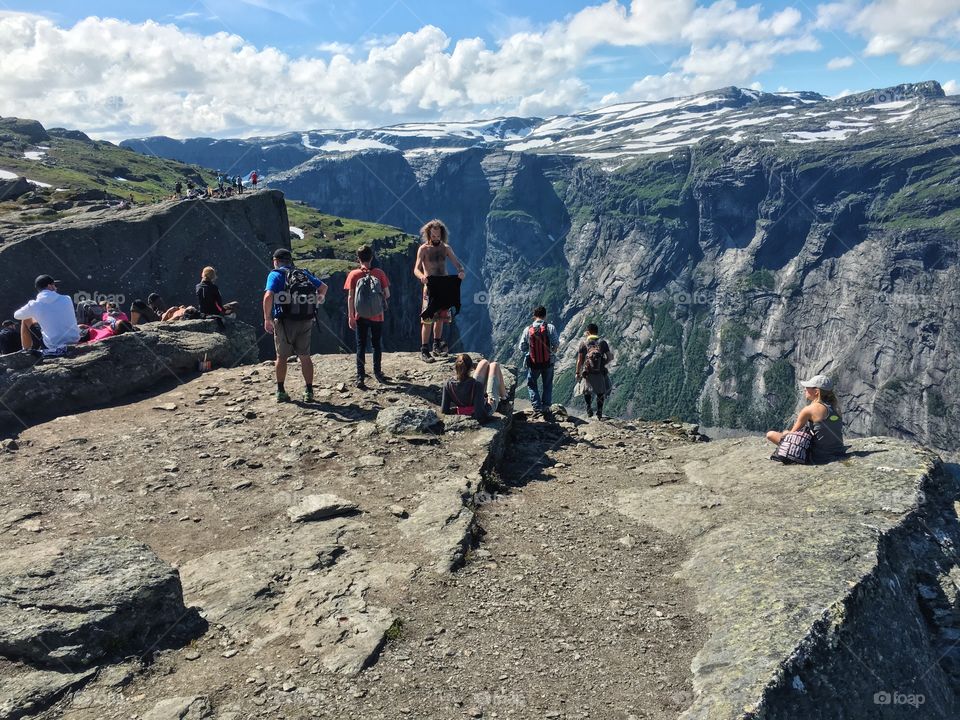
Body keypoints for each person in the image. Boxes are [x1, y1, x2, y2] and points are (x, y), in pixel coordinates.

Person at [263, 248, 327, 403]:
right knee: (305, 356)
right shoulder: (303, 274)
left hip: (284, 322)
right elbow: (323, 287)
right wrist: (314, 304)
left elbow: (268, 295)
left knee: (281, 357)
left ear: (276, 261)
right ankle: (309, 391)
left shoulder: (276, 274)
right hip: (305, 320)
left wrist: (267, 318)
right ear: (290, 261)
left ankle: (280, 391)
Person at [413, 219, 465, 363]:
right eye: (433, 236)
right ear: (428, 234)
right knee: (428, 319)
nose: (436, 239)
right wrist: (422, 276)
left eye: (438, 236)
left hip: (444, 286)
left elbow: (457, 264)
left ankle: (436, 344)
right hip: (430, 288)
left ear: (442, 234)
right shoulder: (423, 249)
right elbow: (416, 269)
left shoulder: (446, 248)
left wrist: (461, 271)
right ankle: (424, 349)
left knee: (441, 318)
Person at [766, 374, 845, 463]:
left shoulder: (809, 409)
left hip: (818, 457)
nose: (805, 389)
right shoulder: (836, 407)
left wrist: (785, 432)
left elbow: (792, 434)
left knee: (770, 434)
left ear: (816, 392)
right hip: (840, 452)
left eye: (808, 387)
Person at [345, 245, 390, 389]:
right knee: (376, 344)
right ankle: (377, 372)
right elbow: (387, 294)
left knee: (361, 345)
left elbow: (351, 297)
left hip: (360, 315)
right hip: (377, 315)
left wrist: (351, 316)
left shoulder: (353, 274)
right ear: (371, 258)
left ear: (358, 258)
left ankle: (360, 376)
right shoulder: (379, 273)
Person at [14, 275, 80, 351]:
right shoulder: (67, 298)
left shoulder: (34, 305)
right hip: (74, 339)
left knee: (25, 319)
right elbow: (55, 313)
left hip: (53, 345)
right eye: (54, 285)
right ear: (49, 286)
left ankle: (26, 350)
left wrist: (34, 312)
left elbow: (16, 315)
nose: (56, 288)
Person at [441, 353, 508, 423]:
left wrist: (458, 410)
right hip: (484, 407)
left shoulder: (447, 384)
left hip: (469, 396)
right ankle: (504, 396)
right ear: (471, 368)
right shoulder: (477, 385)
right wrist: (488, 403)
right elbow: (480, 414)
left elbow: (444, 411)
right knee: (495, 365)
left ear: (456, 367)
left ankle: (503, 395)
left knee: (484, 362)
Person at [518, 305, 559, 418]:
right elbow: (556, 344)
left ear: (534, 316)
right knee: (547, 384)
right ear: (545, 315)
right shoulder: (550, 327)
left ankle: (537, 408)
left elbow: (522, 347)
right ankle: (546, 407)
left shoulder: (528, 329)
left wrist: (530, 350)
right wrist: (550, 353)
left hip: (533, 363)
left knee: (532, 384)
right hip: (548, 362)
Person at [575, 323, 613, 420]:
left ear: (588, 332)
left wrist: (577, 373)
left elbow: (580, 360)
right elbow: (609, 357)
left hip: (587, 372)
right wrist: (603, 363)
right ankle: (599, 412)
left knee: (587, 391)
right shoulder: (603, 343)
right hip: (600, 372)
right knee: (601, 392)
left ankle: (588, 408)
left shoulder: (583, 343)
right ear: (597, 332)